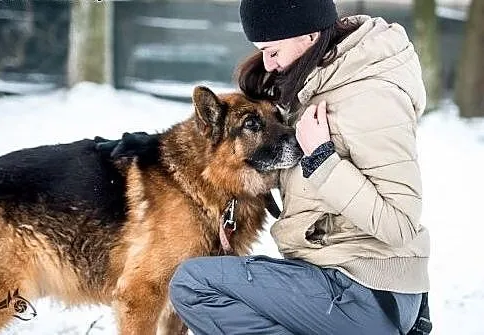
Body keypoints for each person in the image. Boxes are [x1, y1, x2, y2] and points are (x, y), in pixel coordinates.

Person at [166, 1, 431, 334]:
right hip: (339, 279)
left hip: (367, 292)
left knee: (193, 283)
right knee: (216, 278)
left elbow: (401, 223)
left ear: (307, 34)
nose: (267, 62)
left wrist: (321, 157)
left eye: (272, 51)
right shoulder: (316, 84)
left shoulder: (370, 97)